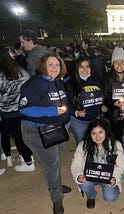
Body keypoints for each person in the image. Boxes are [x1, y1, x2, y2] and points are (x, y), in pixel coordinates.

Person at [19, 52, 70, 214]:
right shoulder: (34, 84)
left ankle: (54, 183)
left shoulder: (58, 82)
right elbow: (25, 108)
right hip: (37, 130)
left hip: (57, 128)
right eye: (50, 64)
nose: (54, 67)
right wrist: (53, 111)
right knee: (51, 165)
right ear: (43, 66)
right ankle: (57, 199)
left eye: (57, 64)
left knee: (52, 163)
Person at [70, 118, 124, 209]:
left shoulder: (116, 145)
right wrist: (79, 176)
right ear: (90, 134)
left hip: (108, 177)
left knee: (111, 198)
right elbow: (76, 164)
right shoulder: (83, 145)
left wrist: (114, 178)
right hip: (89, 177)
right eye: (93, 133)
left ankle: (111, 187)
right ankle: (91, 196)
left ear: (106, 132)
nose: (97, 137)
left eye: (100, 132)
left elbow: (120, 166)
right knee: (84, 185)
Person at [0, 45, 34, 171]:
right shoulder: (21, 71)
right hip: (23, 109)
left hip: (7, 113)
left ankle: (28, 162)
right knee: (25, 135)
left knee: (18, 138)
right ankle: (31, 157)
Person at [66, 56, 107, 145]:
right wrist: (76, 112)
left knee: (96, 143)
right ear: (77, 68)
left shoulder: (96, 81)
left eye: (87, 66)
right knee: (82, 145)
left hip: (95, 119)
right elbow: (66, 105)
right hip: (79, 122)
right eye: (81, 66)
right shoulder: (70, 84)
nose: (85, 69)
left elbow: (100, 98)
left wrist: (102, 106)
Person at [104, 47, 124, 142]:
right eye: (116, 62)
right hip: (114, 116)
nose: (119, 65)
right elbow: (105, 97)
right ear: (113, 64)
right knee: (116, 140)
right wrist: (113, 103)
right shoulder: (107, 77)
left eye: (121, 62)